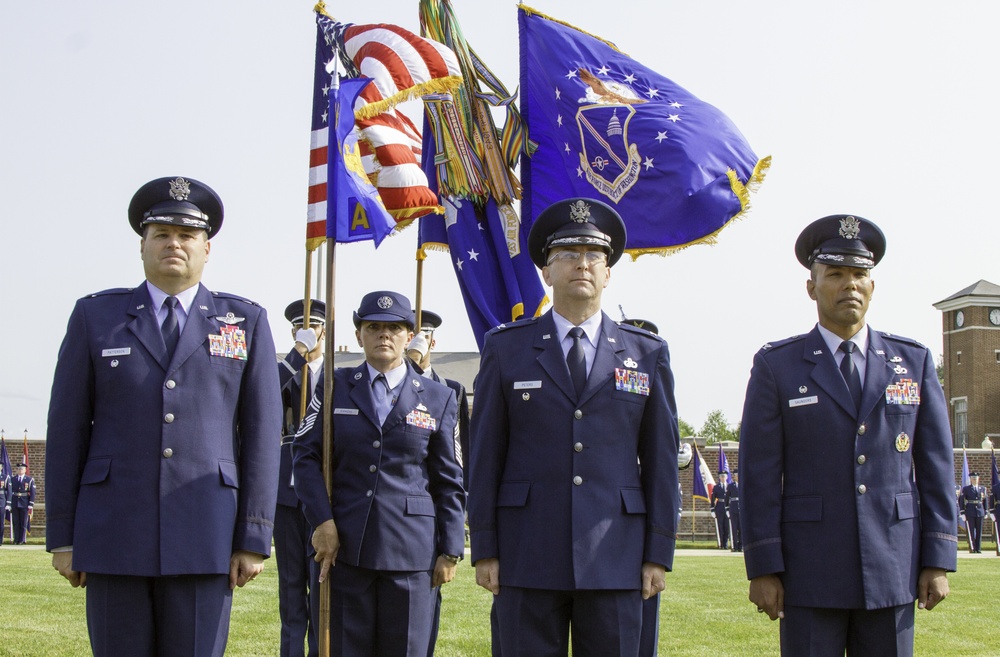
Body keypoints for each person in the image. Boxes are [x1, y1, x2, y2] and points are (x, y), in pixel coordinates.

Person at [45, 176, 282, 657]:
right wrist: (63, 537)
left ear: (207, 247)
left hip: (206, 534)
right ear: (143, 245)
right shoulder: (96, 317)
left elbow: (260, 436)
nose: (174, 243)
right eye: (162, 234)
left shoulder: (246, 322)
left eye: (187, 235)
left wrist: (253, 537)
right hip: (114, 533)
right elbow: (67, 430)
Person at [469, 198, 680, 657]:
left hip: (618, 556)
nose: (581, 264)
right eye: (567, 254)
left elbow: (661, 461)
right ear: (546, 270)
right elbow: (485, 454)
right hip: (527, 553)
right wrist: (485, 545)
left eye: (593, 255)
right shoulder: (506, 349)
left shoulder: (646, 353)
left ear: (609, 272)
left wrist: (657, 553)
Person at [739, 214, 956, 656]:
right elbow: (758, 476)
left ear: (872, 286)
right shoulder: (777, 367)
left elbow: (935, 466)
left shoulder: (911, 362)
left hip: (892, 568)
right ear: (811, 286)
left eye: (860, 275)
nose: (850, 285)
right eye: (835, 274)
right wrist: (763, 567)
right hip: (809, 572)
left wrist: (937, 559)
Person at [292, 290, 466, 657]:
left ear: (409, 336)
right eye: (373, 327)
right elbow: (305, 457)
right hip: (343, 548)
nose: (383, 335)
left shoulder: (439, 397)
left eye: (394, 328)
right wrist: (321, 522)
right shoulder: (334, 386)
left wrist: (450, 549)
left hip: (412, 556)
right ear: (359, 335)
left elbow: (449, 479)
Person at [404, 309, 472, 657]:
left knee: (430, 599)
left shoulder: (451, 389)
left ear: (434, 339)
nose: (420, 338)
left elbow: (460, 455)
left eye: (425, 333)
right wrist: (409, 359)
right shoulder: (402, 371)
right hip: (405, 502)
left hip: (436, 502)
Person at [275, 299, 326, 657]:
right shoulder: (283, 371)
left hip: (325, 496)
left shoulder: (340, 375)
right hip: (285, 495)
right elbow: (260, 392)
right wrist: (297, 354)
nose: (306, 332)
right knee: (292, 590)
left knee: (322, 589)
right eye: (299, 327)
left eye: (313, 326)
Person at [960, 472, 986, 553]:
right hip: (970, 511)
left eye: (976, 478)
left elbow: (985, 500)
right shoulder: (966, 489)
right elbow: (961, 500)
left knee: (979, 530)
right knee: (971, 530)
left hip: (980, 511)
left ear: (978, 479)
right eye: (973, 478)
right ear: (970, 479)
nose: (975, 479)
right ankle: (972, 547)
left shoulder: (982, 489)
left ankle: (978, 548)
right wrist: (962, 512)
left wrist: (986, 511)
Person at [9, 462, 34, 544]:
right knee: (16, 522)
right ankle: (16, 539)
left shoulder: (29, 480)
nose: (20, 470)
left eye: (22, 469)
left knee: (23, 522)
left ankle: (22, 539)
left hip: (24, 502)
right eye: (19, 469)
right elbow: (10, 491)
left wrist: (31, 504)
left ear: (25, 470)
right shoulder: (13, 479)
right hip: (15, 502)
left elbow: (32, 492)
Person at [710, 470, 730, 550]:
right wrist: (712, 509)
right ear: (719, 477)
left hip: (727, 507)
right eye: (721, 476)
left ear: (727, 477)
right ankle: (721, 543)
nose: (723, 478)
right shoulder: (716, 487)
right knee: (720, 526)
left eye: (724, 476)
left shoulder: (729, 486)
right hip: (720, 507)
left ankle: (726, 543)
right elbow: (713, 498)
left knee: (727, 526)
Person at [726, 469, 742, 552]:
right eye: (735, 475)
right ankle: (735, 546)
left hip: (741, 509)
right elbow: (727, 498)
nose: (737, 477)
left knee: (741, 528)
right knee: (734, 528)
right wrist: (727, 509)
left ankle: (741, 546)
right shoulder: (730, 486)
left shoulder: (743, 485)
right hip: (733, 508)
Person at [0, 463, 10, 545]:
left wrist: (8, 503)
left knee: (1, 522)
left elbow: (9, 491)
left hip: (1, 501)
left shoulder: (5, 477)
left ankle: (0, 540)